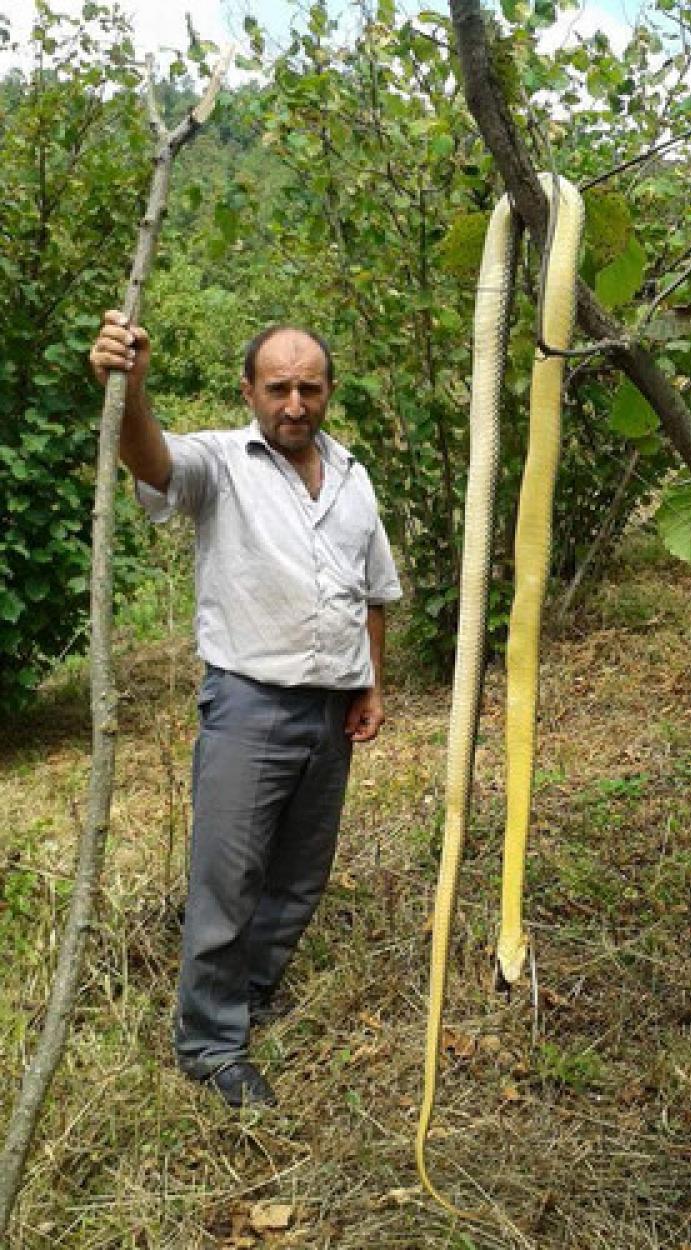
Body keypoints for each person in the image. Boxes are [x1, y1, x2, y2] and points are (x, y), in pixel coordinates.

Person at [90, 312, 402, 1108]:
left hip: (332, 706)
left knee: (300, 876)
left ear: (328, 390)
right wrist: (129, 390)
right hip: (249, 704)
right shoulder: (221, 462)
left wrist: (371, 681)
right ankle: (211, 1044)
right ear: (249, 391)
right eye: (279, 388)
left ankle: (249, 993)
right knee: (228, 880)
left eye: (310, 387)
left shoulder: (352, 474)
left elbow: (374, 590)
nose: (294, 403)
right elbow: (151, 459)